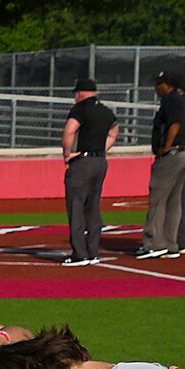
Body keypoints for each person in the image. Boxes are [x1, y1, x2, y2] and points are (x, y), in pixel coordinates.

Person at [140, 70, 185, 259]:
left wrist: (166, 147)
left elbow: (175, 124)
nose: (156, 87)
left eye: (159, 83)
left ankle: (154, 242)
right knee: (174, 200)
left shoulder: (171, 100)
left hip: (173, 153)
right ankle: (171, 243)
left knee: (158, 199)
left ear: (168, 85)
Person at [59, 76, 113, 264]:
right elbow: (115, 131)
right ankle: (93, 250)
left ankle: (79, 253)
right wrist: (102, 148)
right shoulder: (106, 111)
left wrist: (67, 153)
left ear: (80, 93)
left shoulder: (80, 109)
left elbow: (70, 130)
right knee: (93, 207)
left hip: (82, 161)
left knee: (76, 205)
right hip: (100, 161)